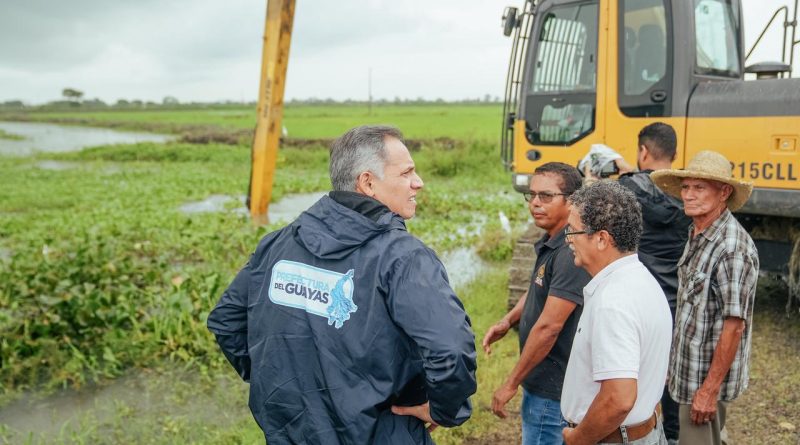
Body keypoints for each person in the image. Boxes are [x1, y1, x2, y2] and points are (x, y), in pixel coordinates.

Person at [207, 125, 477, 445]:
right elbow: (449, 350)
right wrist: (445, 410)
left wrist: (286, 388)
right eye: (406, 173)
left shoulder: (277, 244)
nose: (418, 182)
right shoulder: (402, 258)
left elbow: (226, 322)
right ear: (368, 182)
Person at [585, 122, 690, 444]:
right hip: (676, 300)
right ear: (673, 153)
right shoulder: (688, 191)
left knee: (627, 371)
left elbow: (602, 200)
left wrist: (591, 181)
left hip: (640, 299)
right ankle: (671, 436)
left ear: (643, 150)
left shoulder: (627, 190)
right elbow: (654, 187)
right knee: (669, 374)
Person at [651, 151, 758, 445]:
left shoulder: (732, 247)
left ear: (724, 192)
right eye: (685, 187)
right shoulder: (698, 231)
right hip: (689, 371)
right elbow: (691, 310)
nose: (688, 195)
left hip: (703, 381)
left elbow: (734, 326)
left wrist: (709, 391)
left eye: (699, 188)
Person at [483, 162, 591, 445]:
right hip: (543, 384)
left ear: (573, 201)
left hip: (552, 390)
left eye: (546, 196)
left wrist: (510, 383)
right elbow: (538, 288)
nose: (534, 204)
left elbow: (549, 327)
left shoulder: (570, 251)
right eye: (531, 195)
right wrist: (509, 320)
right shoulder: (551, 241)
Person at [561, 181, 673, 445]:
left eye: (572, 231)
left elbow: (619, 398)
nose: (568, 240)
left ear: (601, 239)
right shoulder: (642, 279)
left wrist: (578, 438)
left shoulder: (613, 300)